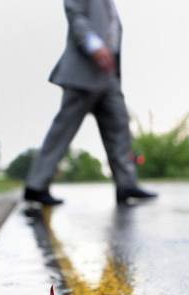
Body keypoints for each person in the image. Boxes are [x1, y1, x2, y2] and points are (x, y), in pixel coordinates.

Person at [24, 0, 157, 205]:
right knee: (64, 129)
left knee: (119, 125)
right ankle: (36, 185)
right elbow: (76, 17)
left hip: (108, 75)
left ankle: (126, 184)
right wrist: (94, 46)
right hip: (84, 70)